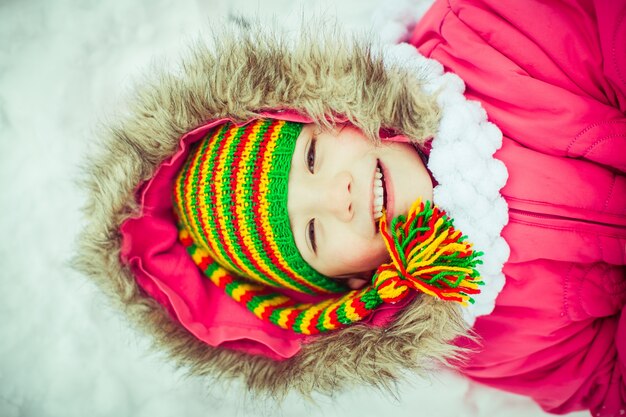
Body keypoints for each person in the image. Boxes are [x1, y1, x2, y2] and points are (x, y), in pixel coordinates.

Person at [76, 0, 625, 415]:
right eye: (312, 234)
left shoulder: (478, 40)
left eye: (312, 155)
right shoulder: (479, 334)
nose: (336, 195)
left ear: (330, 111)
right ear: (351, 283)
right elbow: (600, 379)